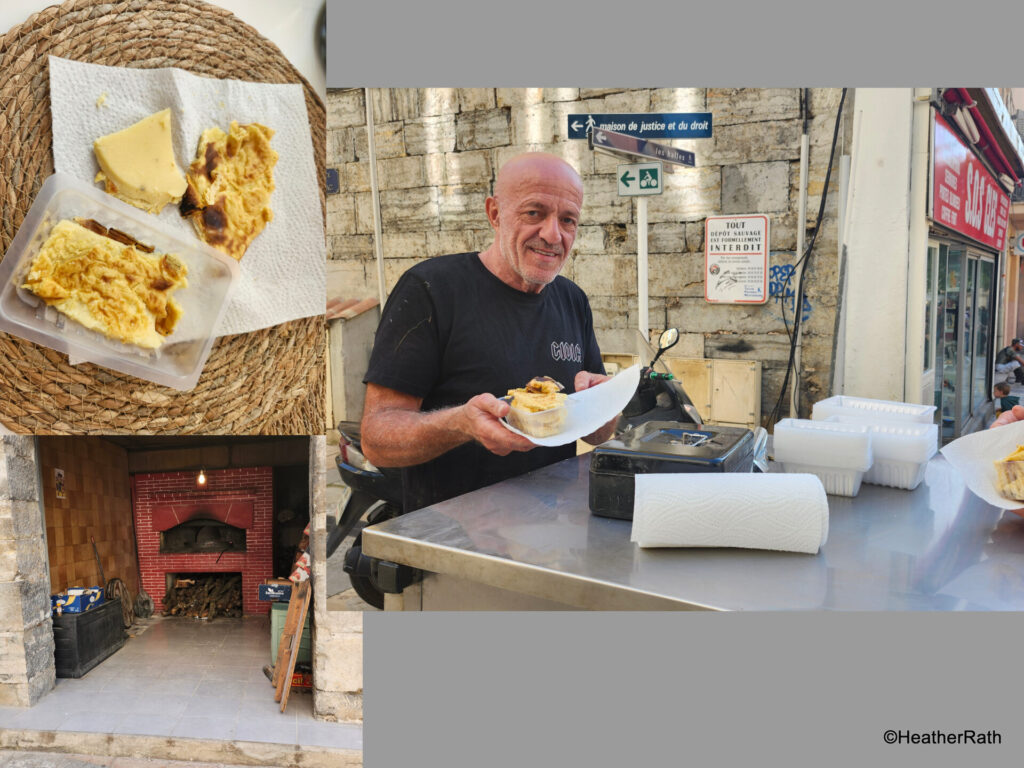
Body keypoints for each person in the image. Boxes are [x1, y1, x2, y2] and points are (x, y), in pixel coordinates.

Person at [359, 153, 618, 512]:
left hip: (552, 533)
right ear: (495, 214)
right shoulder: (431, 290)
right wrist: (461, 424)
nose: (552, 234)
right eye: (534, 213)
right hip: (451, 542)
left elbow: (596, 434)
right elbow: (376, 440)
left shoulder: (572, 300)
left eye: (568, 220)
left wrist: (605, 406)